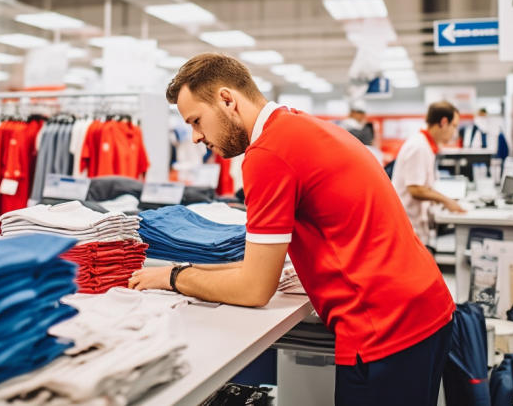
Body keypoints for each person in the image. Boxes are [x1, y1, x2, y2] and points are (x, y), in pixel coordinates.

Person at [129, 53, 455, 406]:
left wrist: (175, 279)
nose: (194, 137)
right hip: (424, 309)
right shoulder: (298, 127)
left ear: (227, 100)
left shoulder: (267, 153)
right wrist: (177, 272)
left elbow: (254, 288)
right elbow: (258, 265)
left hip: (384, 328)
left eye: (196, 121)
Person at [391, 102, 466, 247]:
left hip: (415, 224)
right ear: (444, 122)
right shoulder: (419, 147)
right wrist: (447, 201)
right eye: (454, 126)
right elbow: (416, 189)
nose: (454, 132)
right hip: (408, 224)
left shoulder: (425, 145)